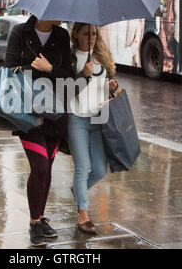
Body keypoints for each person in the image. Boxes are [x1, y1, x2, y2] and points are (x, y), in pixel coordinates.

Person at [5, 14, 73, 246]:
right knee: (40, 165)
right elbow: (9, 69)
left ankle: (40, 218)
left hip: (55, 113)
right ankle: (34, 223)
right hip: (27, 113)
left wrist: (50, 68)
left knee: (48, 168)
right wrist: (37, 70)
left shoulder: (61, 35)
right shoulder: (20, 33)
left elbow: (69, 75)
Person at [68, 22, 118, 234]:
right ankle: (83, 216)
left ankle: (78, 190)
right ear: (76, 34)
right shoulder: (69, 58)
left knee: (98, 169)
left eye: (95, 34)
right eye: (87, 33)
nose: (91, 38)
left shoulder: (102, 59)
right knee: (82, 166)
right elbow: (68, 92)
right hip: (76, 118)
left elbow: (103, 89)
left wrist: (110, 87)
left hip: (98, 119)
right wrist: (84, 75)